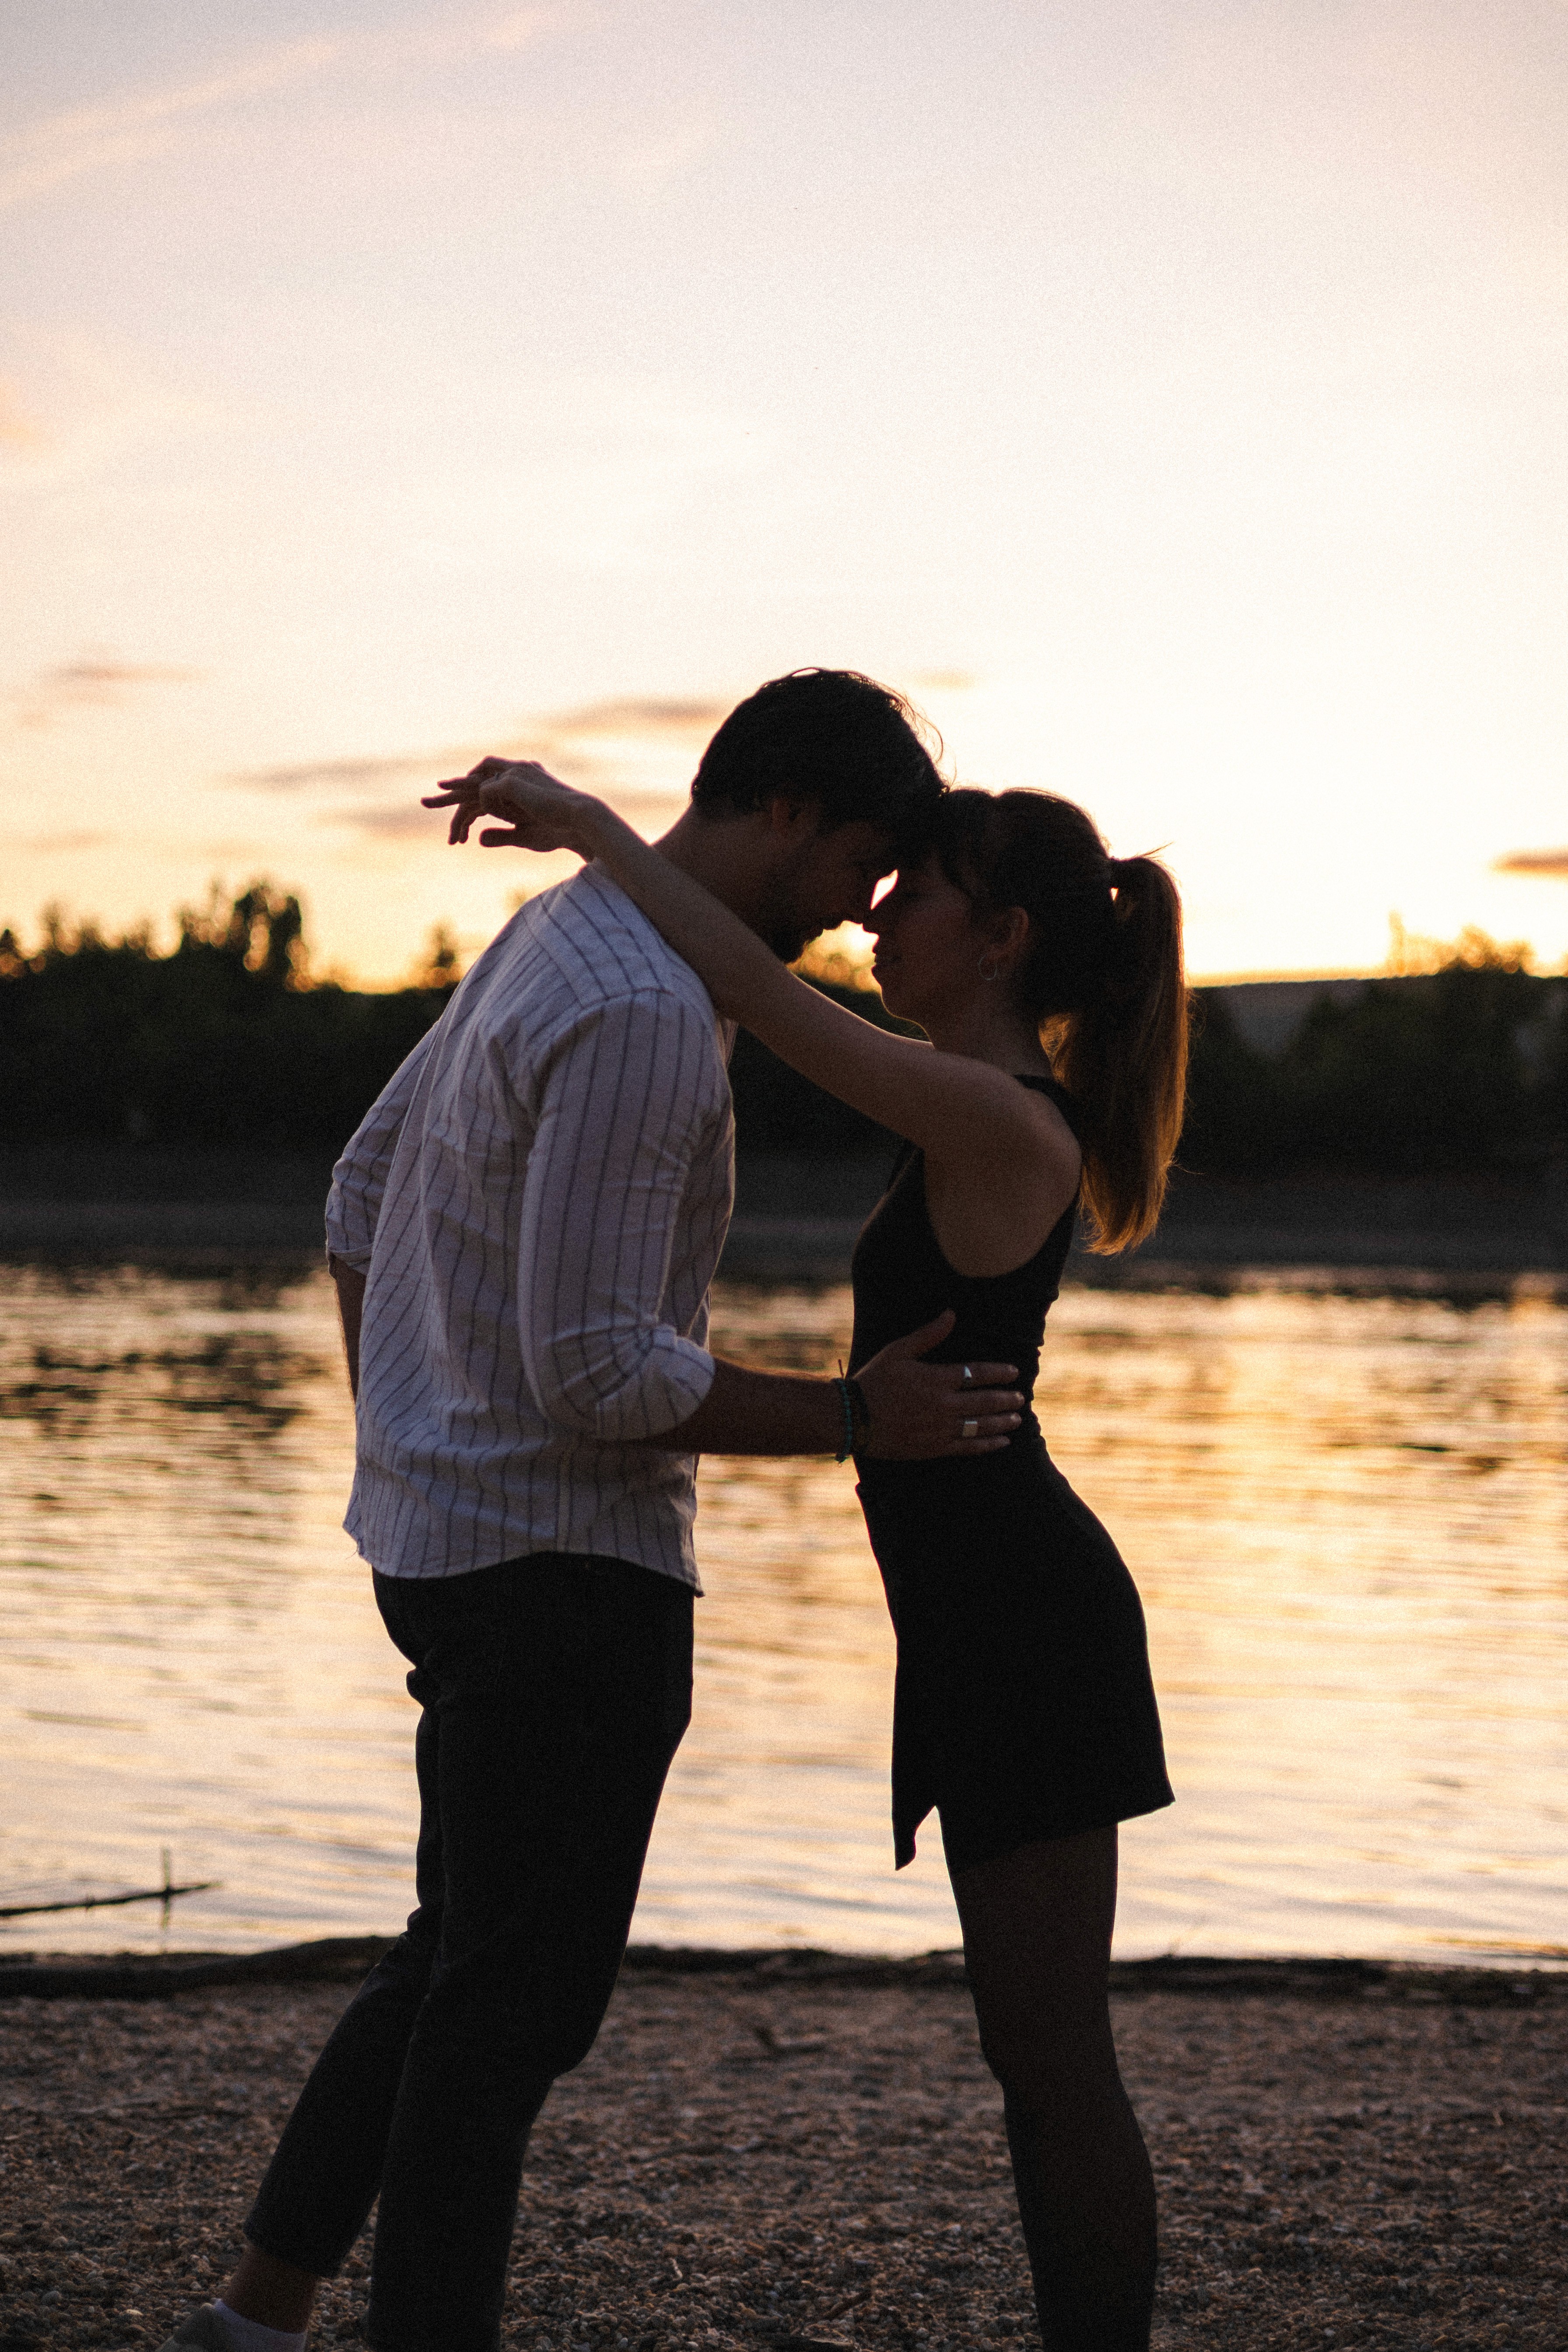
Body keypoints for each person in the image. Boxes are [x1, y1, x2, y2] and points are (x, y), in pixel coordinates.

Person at [156, 669, 1027, 2352]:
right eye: (864, 860)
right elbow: (603, 1376)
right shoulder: (643, 1008)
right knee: (507, 2022)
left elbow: (357, 1193)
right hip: (566, 1582)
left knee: (449, 1965)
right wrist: (862, 1417)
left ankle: (253, 2320)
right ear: (784, 810)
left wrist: (410, 1444)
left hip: (450, 1549)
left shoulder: (569, 936)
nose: (865, 910)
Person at [435, 757, 1187, 2352]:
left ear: (1001, 940)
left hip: (1031, 1629)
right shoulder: (970, 1113)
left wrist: (587, 826)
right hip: (982, 1623)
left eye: (920, 889)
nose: (880, 910)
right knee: (1026, 2055)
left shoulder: (999, 1117)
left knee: (1054, 2059)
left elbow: (769, 1008)